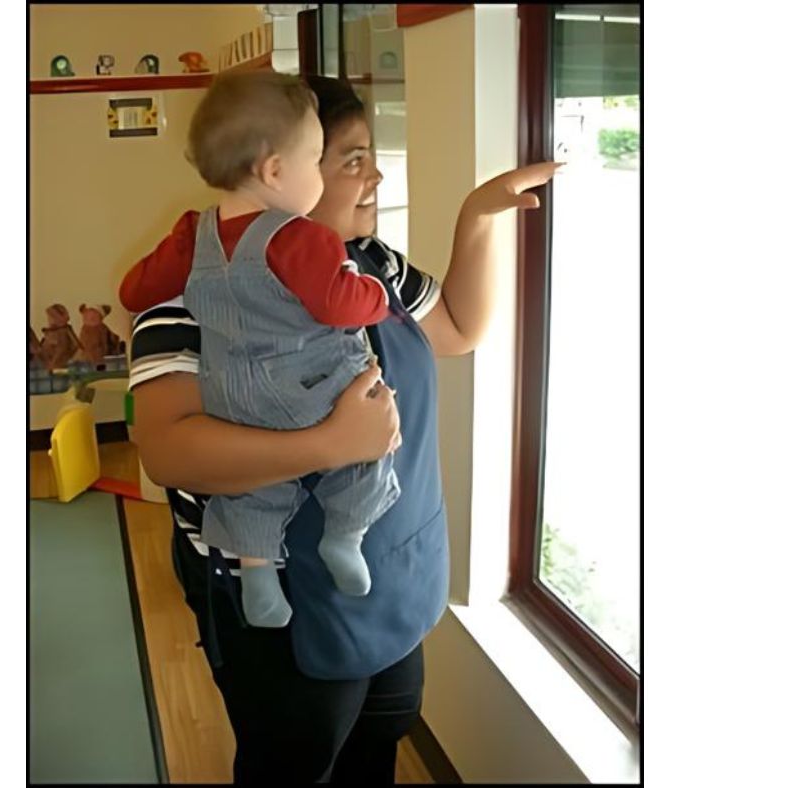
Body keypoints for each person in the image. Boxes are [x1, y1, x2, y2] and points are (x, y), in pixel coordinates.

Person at [122, 73, 560, 783]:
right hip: (275, 599)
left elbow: (455, 327)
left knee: (374, 748)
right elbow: (171, 451)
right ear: (280, 169)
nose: (375, 173)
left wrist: (477, 216)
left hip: (382, 574)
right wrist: (326, 447)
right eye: (350, 158)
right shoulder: (196, 288)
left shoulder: (366, 262)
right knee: (292, 765)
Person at [123, 71, 402, 628]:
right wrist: (376, 296)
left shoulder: (192, 235)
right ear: (276, 170)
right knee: (368, 448)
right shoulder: (300, 237)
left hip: (231, 395)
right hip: (307, 387)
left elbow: (135, 291)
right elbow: (337, 304)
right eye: (316, 157)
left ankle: (257, 574)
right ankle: (345, 536)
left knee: (255, 488)